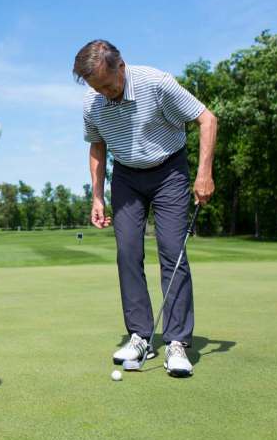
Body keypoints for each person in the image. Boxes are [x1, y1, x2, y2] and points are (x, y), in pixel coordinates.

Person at [73, 39, 217, 377]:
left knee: (171, 251)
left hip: (169, 170)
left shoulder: (156, 83)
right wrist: (97, 195)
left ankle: (177, 342)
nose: (104, 93)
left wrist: (204, 174)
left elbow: (207, 119)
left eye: (108, 85)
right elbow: (97, 146)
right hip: (126, 176)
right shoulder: (92, 101)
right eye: (97, 87)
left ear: (121, 67)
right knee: (127, 253)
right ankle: (140, 336)